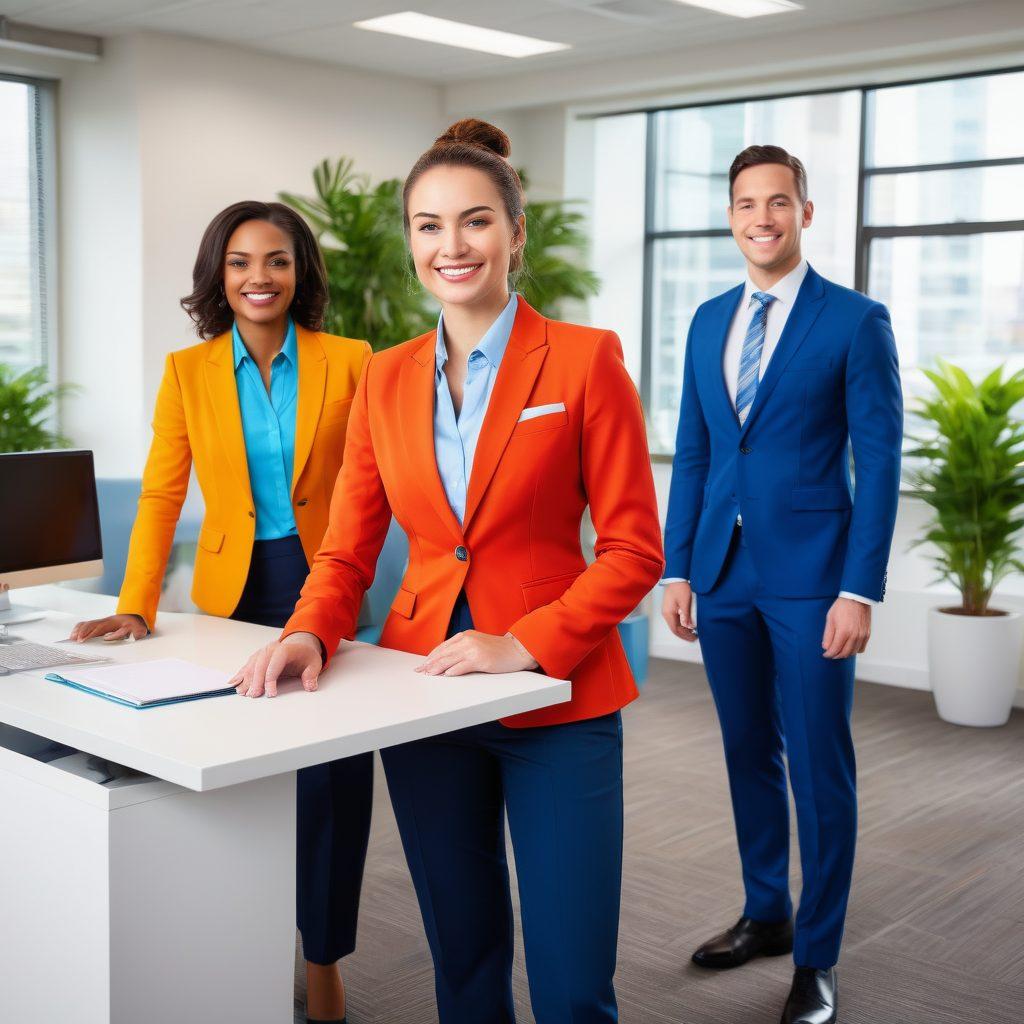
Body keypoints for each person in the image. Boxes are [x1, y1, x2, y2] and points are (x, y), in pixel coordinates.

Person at [231, 118, 665, 1023]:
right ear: (410, 243)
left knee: (572, 977)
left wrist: (525, 645)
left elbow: (633, 552)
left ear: (514, 233)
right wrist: (309, 628)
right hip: (423, 696)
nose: (451, 245)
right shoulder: (384, 380)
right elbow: (347, 548)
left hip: (559, 701)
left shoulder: (587, 361)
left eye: (473, 222)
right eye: (428, 226)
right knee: (462, 963)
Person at [69, 201, 372, 1024]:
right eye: (240, 263)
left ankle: (322, 957)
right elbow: (164, 493)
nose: (258, 278)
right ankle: (230, 933)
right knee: (228, 773)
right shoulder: (187, 371)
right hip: (227, 597)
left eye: (276, 260)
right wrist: (136, 605)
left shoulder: (352, 361)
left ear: (300, 271)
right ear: (219, 275)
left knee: (334, 779)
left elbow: (375, 482)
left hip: (325, 581)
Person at [661, 145, 902, 1024]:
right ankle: (766, 910)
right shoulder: (705, 320)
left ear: (806, 212)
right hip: (721, 575)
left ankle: (818, 954)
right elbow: (696, 450)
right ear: (730, 217)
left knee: (819, 766)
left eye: (777, 202)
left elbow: (879, 463)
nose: (760, 218)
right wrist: (678, 564)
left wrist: (859, 589)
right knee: (745, 752)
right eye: (745, 204)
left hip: (812, 580)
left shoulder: (854, 321)